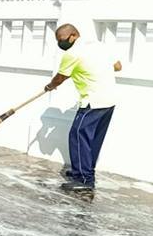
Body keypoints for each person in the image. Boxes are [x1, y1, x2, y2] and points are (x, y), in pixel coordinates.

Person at [44, 23, 122, 193]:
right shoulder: (99, 46)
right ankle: (83, 171)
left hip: (92, 101)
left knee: (78, 136)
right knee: (93, 139)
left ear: (73, 35)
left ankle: (83, 179)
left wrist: (50, 86)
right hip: (109, 100)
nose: (60, 44)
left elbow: (60, 77)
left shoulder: (72, 53)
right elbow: (118, 66)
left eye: (62, 40)